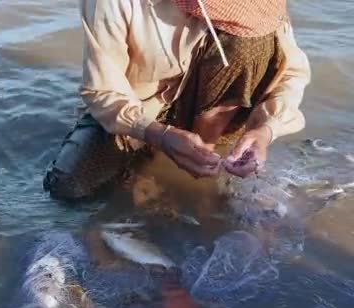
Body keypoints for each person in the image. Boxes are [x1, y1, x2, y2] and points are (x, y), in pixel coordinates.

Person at [43, 0, 311, 199]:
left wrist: (264, 131)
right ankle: (158, 157)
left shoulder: (259, 7)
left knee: (252, 43)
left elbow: (290, 76)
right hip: (141, 110)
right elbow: (102, 91)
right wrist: (158, 135)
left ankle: (205, 154)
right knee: (69, 187)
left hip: (219, 111)